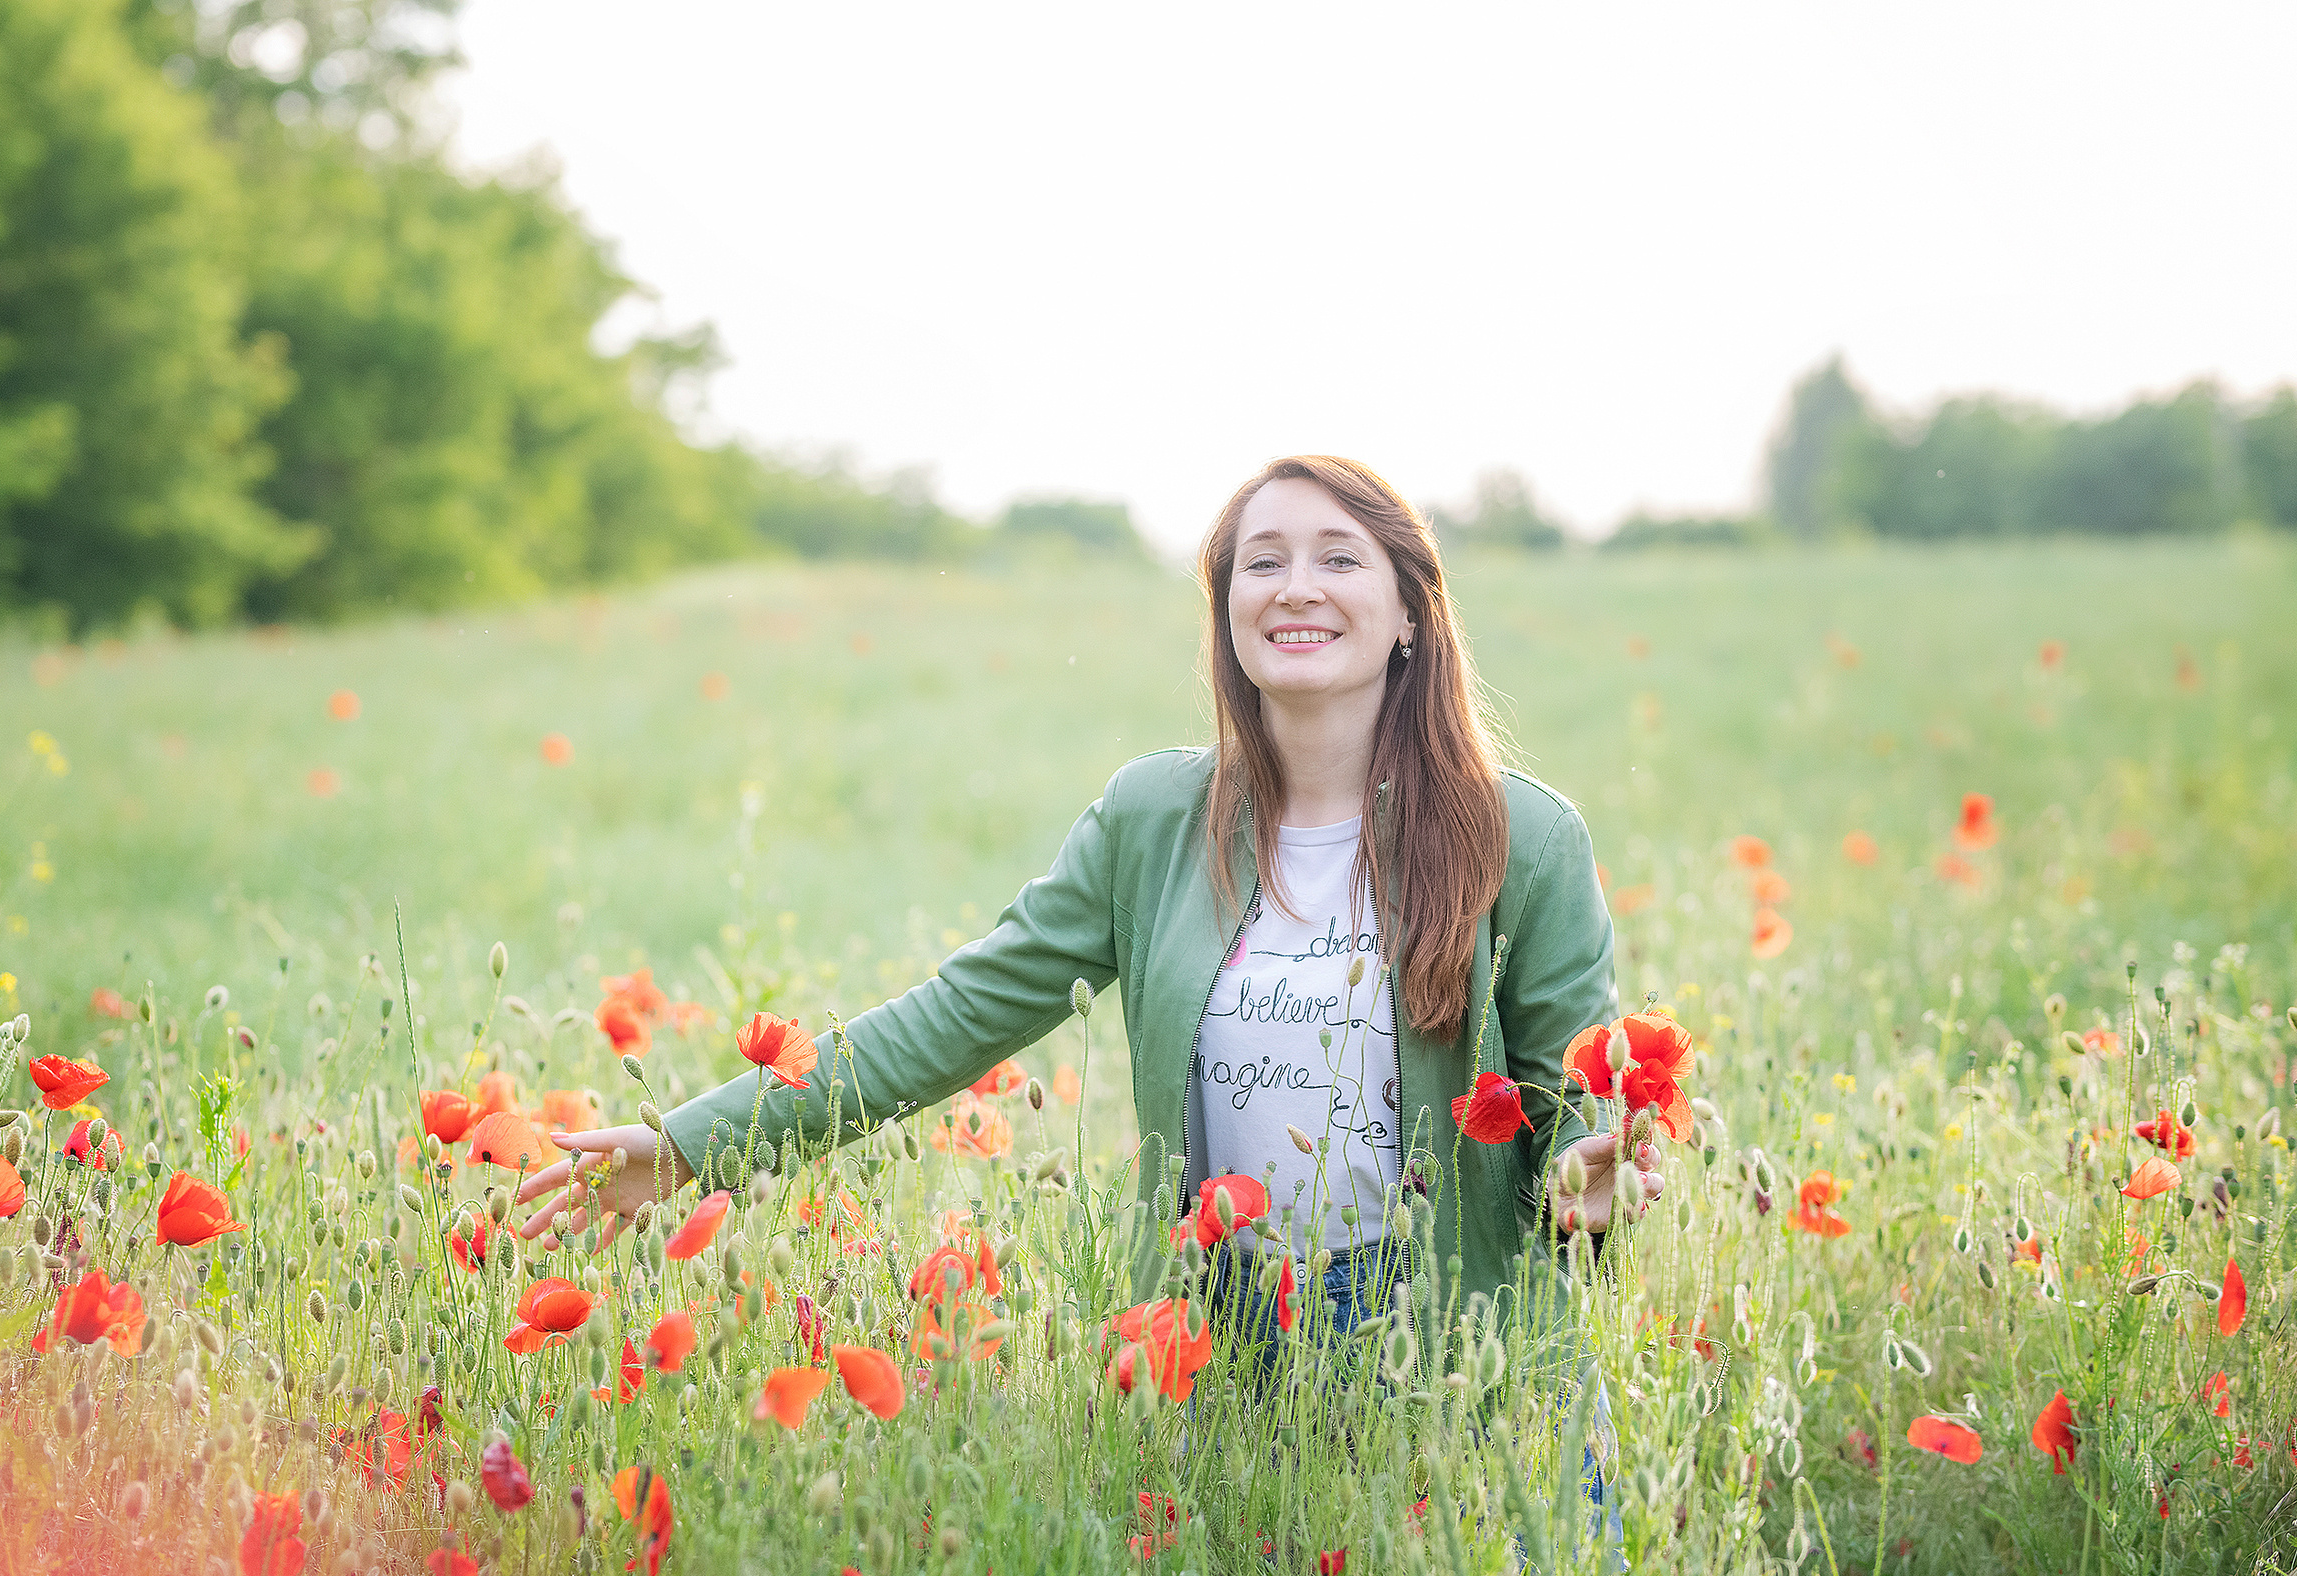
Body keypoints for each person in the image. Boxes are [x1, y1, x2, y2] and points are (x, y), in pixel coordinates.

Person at [513, 454, 1663, 1321]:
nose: (1293, 586)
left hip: (1448, 1340)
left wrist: (1592, 1166)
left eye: (1337, 557)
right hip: (1223, 1342)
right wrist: (694, 1145)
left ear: (1410, 610)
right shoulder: (1154, 822)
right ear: (1226, 614)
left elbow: (1577, 1089)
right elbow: (954, 1018)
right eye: (1260, 562)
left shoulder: (1518, 836)